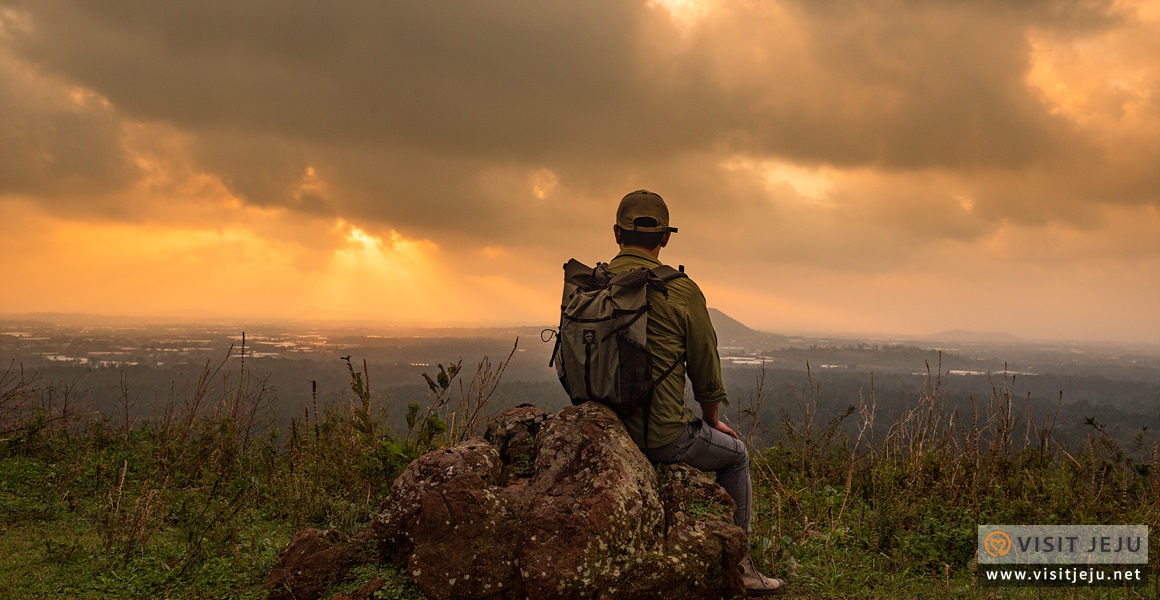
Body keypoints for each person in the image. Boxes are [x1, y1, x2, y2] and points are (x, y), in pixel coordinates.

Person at [606, 189, 785, 596]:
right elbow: (705, 364)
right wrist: (712, 420)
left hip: (606, 430)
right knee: (736, 457)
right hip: (659, 437)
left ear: (617, 233)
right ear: (665, 239)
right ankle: (741, 567)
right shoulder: (682, 290)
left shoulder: (594, 283)